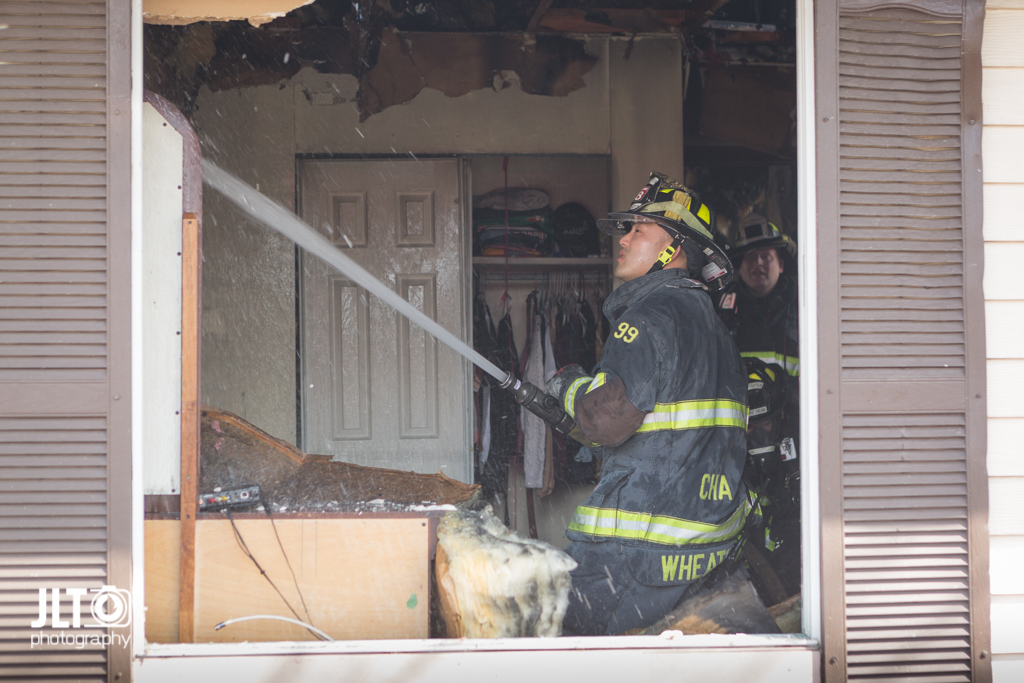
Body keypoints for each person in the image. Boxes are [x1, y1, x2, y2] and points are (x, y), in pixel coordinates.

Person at [544, 172, 751, 636]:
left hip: (633, 557)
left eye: (639, 229)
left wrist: (569, 388)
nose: (624, 239)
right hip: (703, 549)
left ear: (672, 248)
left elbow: (609, 421)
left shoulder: (649, 316)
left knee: (572, 656)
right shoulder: (714, 328)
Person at [716, 213, 801, 597]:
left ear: (782, 262)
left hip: (795, 447)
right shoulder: (722, 317)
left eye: (766, 254)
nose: (759, 263)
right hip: (737, 450)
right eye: (749, 257)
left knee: (792, 528)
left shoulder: (809, 311)